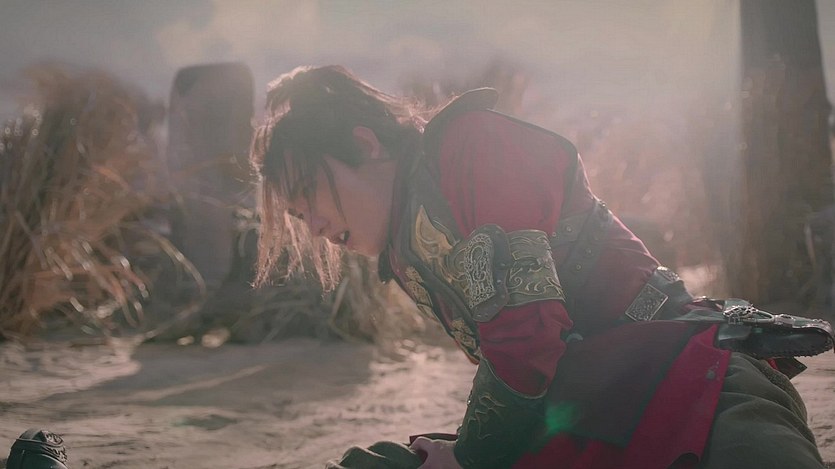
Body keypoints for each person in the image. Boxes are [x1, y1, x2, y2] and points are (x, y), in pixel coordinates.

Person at [250, 65, 834, 469]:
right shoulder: (404, 248)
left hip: (683, 376)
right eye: (298, 217)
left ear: (366, 143)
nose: (315, 227)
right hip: (573, 419)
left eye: (309, 196)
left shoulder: (471, 146)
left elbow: (524, 338)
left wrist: (471, 456)